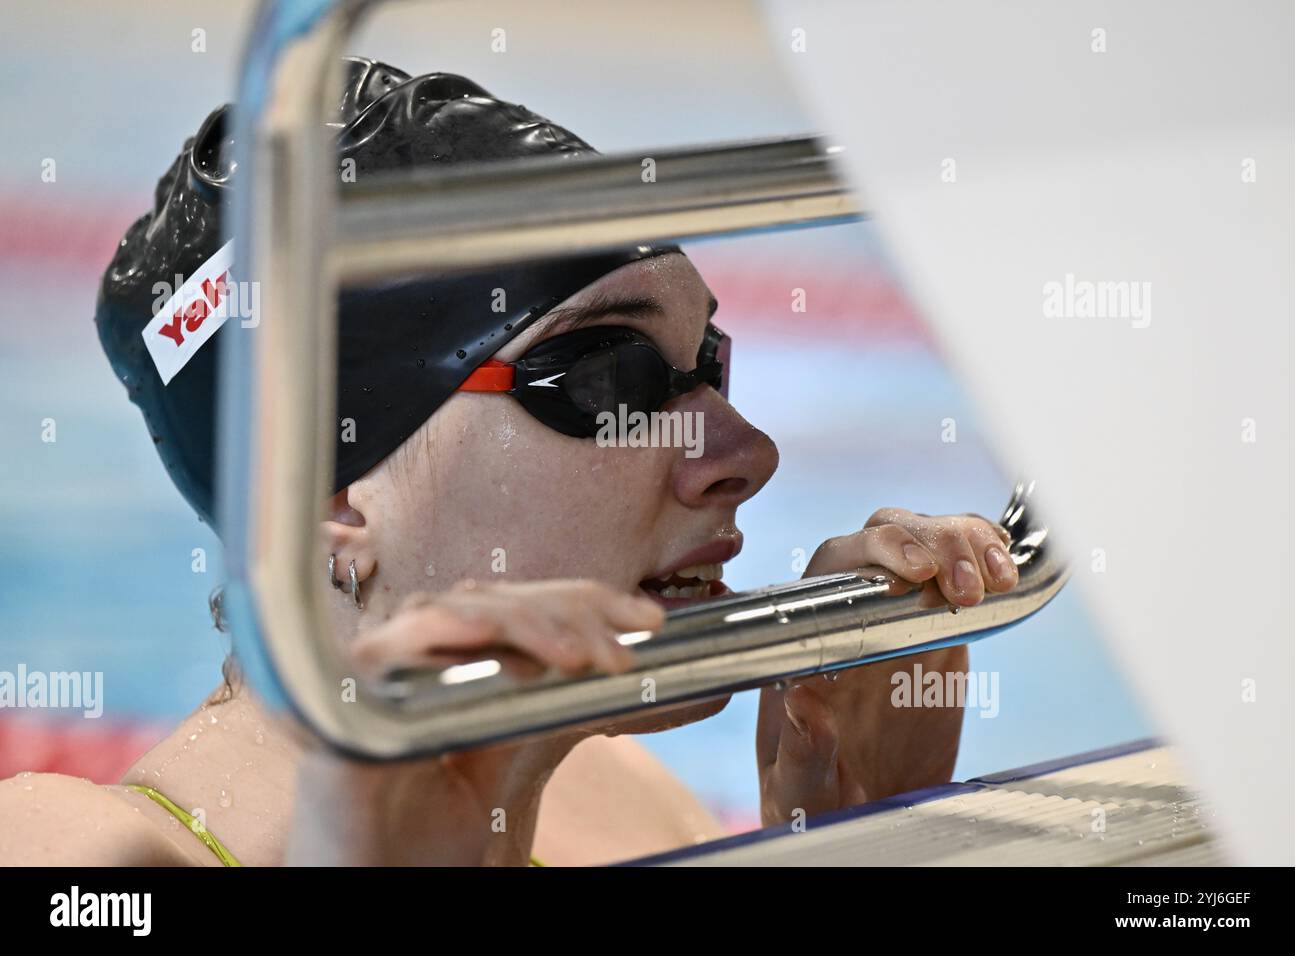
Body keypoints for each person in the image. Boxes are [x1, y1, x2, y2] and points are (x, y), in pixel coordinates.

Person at [0, 58, 1018, 866]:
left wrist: (851, 835)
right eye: (610, 378)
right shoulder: (72, 853)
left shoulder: (625, 810)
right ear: (334, 493)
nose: (746, 453)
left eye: (710, 362)